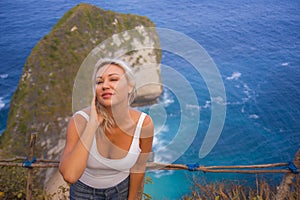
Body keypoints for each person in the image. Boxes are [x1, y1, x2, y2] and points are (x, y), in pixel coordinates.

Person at [59, 58, 154, 200]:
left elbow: (139, 167)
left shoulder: (144, 124)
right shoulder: (79, 121)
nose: (105, 85)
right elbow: (70, 176)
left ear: (129, 86)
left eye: (113, 79)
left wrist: (133, 198)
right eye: (99, 82)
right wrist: (92, 124)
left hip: (122, 190)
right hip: (82, 193)